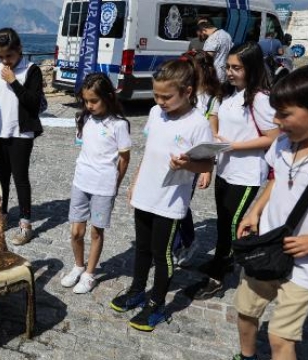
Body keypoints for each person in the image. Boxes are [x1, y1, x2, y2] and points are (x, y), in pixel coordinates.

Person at [109, 59, 214, 331]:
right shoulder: (156, 113)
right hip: (146, 191)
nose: (160, 101)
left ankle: (157, 305)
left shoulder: (198, 124)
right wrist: (135, 182)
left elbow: (206, 165)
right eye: (156, 95)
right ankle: (136, 291)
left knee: (161, 253)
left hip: (170, 200)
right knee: (142, 248)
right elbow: (149, 151)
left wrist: (187, 165)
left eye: (166, 96)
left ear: (188, 91)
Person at [232, 64, 308, 360]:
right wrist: (255, 211)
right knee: (245, 311)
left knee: (280, 336)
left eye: (284, 114)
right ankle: (246, 356)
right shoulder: (284, 143)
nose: (276, 122)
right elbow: (276, 179)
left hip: (307, 263)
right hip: (268, 248)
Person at [194, 42, 280, 300]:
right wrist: (216, 137)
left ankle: (218, 277)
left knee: (233, 225)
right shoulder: (230, 94)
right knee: (222, 222)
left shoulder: (261, 99)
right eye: (228, 67)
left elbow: (273, 137)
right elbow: (215, 118)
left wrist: (235, 145)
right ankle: (223, 261)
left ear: (251, 69)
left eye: (236, 68)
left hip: (247, 174)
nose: (230, 72)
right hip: (225, 170)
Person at [60, 73, 131, 294]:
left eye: (94, 101)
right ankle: (78, 265)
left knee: (96, 232)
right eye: (86, 101)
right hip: (81, 182)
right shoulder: (85, 119)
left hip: (103, 186)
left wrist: (116, 183)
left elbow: (124, 158)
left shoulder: (119, 125)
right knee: (76, 232)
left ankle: (90, 273)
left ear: (108, 97)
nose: (89, 105)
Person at [0, 27, 44, 246]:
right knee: (1, 177)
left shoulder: (32, 70)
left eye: (9, 56)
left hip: (21, 132)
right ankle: (2, 215)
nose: (5, 61)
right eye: (0, 57)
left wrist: (13, 81)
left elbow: (33, 102)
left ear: (19, 50)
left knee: (20, 178)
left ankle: (25, 224)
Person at [173, 50, 221, 266]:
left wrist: (206, 170)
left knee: (180, 202)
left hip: (193, 160)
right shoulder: (184, 92)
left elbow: (211, 136)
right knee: (171, 199)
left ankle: (184, 242)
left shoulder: (212, 100)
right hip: (175, 154)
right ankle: (176, 242)